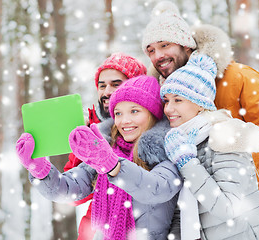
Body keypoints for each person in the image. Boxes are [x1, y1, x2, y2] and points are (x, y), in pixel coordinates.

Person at [142, 2, 259, 239]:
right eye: (151, 50)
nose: (158, 56)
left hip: (255, 214)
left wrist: (250, 137)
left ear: (186, 45)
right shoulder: (162, 94)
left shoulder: (236, 77)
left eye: (165, 45)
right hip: (201, 224)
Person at [16, 75, 182, 240]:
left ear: (153, 114)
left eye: (134, 111)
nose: (124, 120)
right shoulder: (105, 149)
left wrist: (113, 165)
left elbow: (157, 189)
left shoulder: (166, 151)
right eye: (118, 113)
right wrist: (39, 169)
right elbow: (67, 189)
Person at [161, 53, 259, 239]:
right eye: (166, 100)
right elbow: (185, 209)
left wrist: (187, 162)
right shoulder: (181, 143)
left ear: (200, 104)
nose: (168, 109)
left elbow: (228, 207)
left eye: (178, 100)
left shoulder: (223, 137)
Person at [63, 52, 147, 239]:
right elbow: (74, 195)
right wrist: (83, 143)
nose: (107, 91)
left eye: (116, 84)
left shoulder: (148, 133)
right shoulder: (94, 127)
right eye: (102, 86)